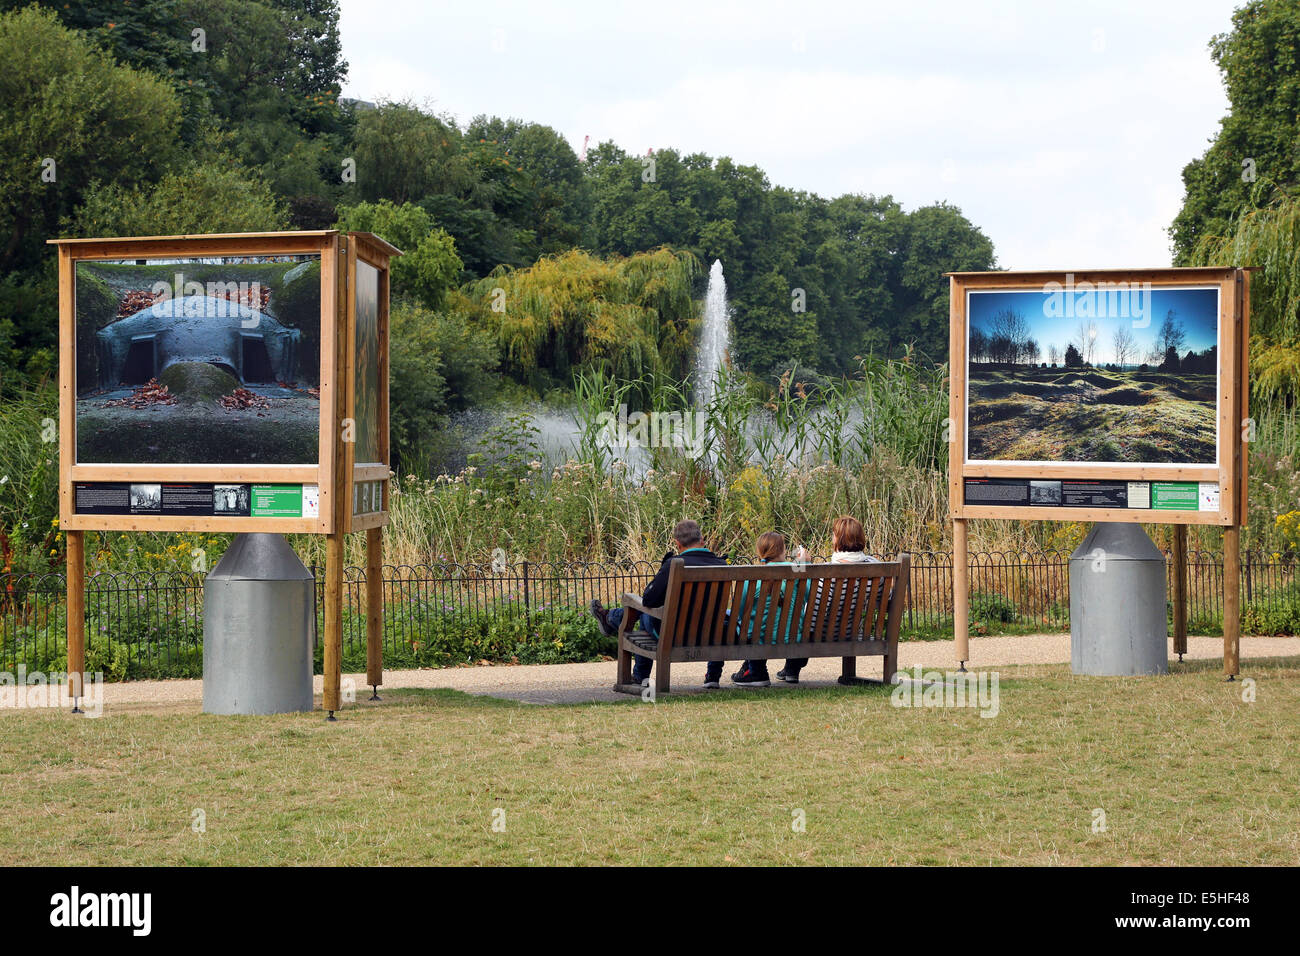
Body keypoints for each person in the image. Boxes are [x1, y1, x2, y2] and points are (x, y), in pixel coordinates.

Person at [589, 519, 728, 689]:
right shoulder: (722, 564)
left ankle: (612, 620)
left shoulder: (674, 565)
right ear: (702, 540)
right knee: (649, 615)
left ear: (677, 543)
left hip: (673, 634)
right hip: (713, 634)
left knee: (645, 614)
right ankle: (712, 676)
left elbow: (648, 600)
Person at [778, 515, 878, 684]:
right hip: (853, 632)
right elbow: (886, 597)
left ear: (839, 540)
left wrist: (801, 564)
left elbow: (812, 607)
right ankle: (790, 670)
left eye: (834, 535)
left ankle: (791, 669)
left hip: (821, 634)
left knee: (803, 623)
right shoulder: (875, 567)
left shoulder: (826, 573)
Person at [730, 531, 810, 687]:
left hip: (759, 638)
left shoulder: (752, 576)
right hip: (793, 637)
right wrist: (805, 565)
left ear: (760, 552)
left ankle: (757, 672)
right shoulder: (798, 571)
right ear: (783, 550)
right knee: (793, 622)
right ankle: (792, 670)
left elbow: (738, 611)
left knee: (751, 628)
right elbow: (808, 598)